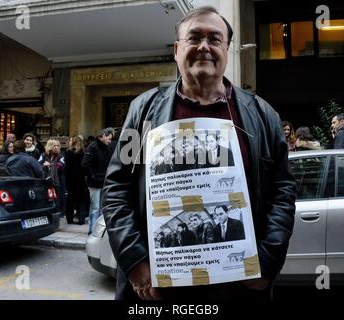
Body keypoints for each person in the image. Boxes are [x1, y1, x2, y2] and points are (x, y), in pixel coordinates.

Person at [101, 6, 296, 300]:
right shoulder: (142, 111)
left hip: (240, 288)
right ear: (177, 50)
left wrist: (269, 259)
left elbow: (282, 189)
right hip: (160, 288)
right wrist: (134, 261)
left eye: (214, 39)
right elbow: (117, 187)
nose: (204, 46)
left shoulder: (261, 114)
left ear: (227, 50)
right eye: (194, 38)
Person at [82, 128, 114, 235]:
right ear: (104, 135)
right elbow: (86, 164)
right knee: (95, 207)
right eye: (109, 138)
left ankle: (98, 230)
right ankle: (92, 229)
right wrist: (93, 177)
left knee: (101, 208)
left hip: (103, 182)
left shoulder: (107, 148)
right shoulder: (92, 147)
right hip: (95, 183)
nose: (110, 141)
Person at [65, 135, 88, 225]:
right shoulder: (84, 152)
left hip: (71, 179)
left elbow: (67, 167)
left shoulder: (68, 152)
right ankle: (81, 218)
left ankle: (69, 218)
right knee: (81, 200)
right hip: (81, 179)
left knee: (70, 199)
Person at [39, 139, 66, 214]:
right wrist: (46, 165)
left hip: (58, 180)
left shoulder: (61, 156)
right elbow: (39, 165)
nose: (56, 147)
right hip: (46, 179)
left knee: (59, 196)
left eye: (58, 146)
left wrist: (50, 165)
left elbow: (61, 165)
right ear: (50, 146)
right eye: (54, 145)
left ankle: (59, 211)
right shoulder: (43, 155)